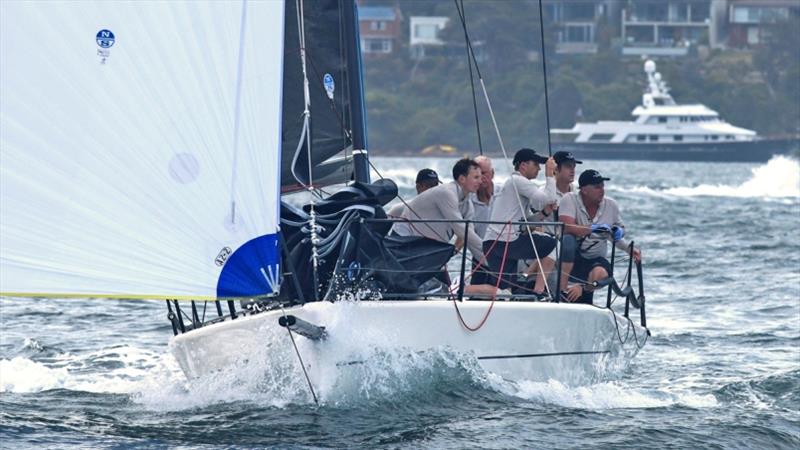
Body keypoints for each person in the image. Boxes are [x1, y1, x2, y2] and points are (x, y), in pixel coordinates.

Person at [482, 148, 558, 298]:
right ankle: (540, 292)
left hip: (492, 243)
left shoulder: (514, 184)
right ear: (523, 165)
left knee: (504, 292)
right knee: (555, 245)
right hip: (507, 242)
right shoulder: (518, 180)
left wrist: (544, 213)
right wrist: (550, 174)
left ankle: (462, 290)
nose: (539, 168)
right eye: (536, 164)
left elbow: (526, 222)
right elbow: (548, 198)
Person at [558, 169, 642, 304]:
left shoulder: (611, 205)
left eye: (603, 186)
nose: (602, 190)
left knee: (600, 274)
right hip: (572, 259)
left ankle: (584, 290)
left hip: (596, 259)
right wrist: (592, 229)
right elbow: (566, 226)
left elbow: (619, 231)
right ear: (584, 190)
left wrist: (628, 248)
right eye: (597, 187)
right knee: (567, 240)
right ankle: (561, 292)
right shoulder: (569, 199)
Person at [391, 158, 485, 263]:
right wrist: (485, 248)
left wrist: (490, 263)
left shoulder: (467, 205)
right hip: (404, 242)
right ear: (462, 179)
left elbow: (469, 235)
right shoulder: (447, 193)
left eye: (481, 177)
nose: (481, 181)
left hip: (429, 249)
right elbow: (460, 228)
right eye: (476, 177)